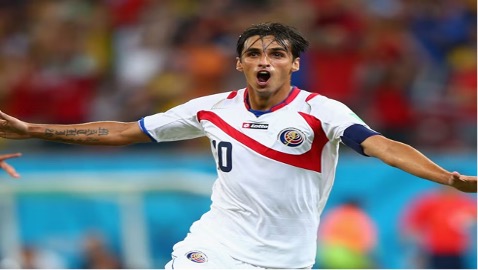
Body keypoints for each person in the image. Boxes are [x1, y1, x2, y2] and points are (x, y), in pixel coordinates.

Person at [0, 22, 475, 269]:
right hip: (216, 245)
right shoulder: (211, 108)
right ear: (240, 64)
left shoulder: (322, 110)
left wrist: (446, 178)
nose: (264, 61)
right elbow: (125, 130)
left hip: (288, 259)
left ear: (292, 64)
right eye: (254, 53)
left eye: (276, 54)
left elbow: (383, 146)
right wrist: (33, 129)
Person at [400, 186, 477, 269]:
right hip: (436, 251)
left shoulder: (465, 203)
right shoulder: (430, 203)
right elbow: (413, 224)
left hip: (459, 252)